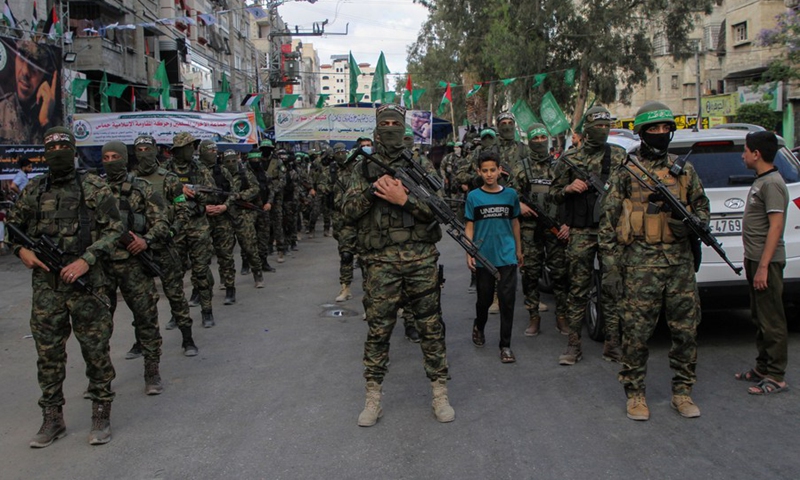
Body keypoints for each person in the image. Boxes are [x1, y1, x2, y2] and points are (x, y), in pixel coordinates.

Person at [7, 126, 122, 447]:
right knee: (48, 355)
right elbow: (13, 230)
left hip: (87, 284)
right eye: (51, 145)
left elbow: (116, 229)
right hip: (47, 288)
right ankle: (52, 418)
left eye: (63, 144)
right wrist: (22, 252)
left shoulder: (93, 186)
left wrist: (87, 259)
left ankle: (101, 412)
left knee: (96, 351)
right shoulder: (33, 190)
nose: (57, 149)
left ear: (73, 149)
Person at [342, 104, 454, 426]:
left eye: (396, 123)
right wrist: (375, 191)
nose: (390, 128)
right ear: (377, 129)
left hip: (420, 259)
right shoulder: (363, 168)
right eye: (385, 123)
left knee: (430, 327)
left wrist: (404, 200)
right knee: (378, 331)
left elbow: (440, 210)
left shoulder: (420, 164)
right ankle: (373, 398)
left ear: (404, 129)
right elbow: (347, 209)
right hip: (379, 263)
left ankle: (439, 393)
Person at [599, 101, 709, 421]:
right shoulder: (626, 172)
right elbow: (607, 223)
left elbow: (702, 210)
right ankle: (635, 394)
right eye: (654, 129)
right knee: (635, 334)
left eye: (665, 128)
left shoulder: (684, 170)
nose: (661, 134)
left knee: (686, 331)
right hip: (638, 265)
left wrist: (689, 220)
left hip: (679, 264)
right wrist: (610, 268)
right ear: (642, 133)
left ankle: (682, 392)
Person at [550, 106, 627, 366]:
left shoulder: (618, 155)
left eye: (607, 126)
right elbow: (553, 193)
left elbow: (629, 190)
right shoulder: (571, 158)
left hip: (610, 231)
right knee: (578, 289)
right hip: (581, 231)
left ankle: (612, 344)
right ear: (587, 129)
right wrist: (569, 188)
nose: (603, 131)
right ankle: (573, 345)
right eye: (598, 126)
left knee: (612, 288)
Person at [99, 141, 165, 395]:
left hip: (134, 264)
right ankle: (101, 377)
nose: (111, 160)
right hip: (102, 266)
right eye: (106, 156)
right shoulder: (94, 189)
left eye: (116, 156)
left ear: (125, 158)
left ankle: (152, 371)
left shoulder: (142, 188)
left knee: (146, 319)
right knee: (99, 326)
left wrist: (145, 240)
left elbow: (161, 220)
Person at [132, 135, 199, 356]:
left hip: (165, 244)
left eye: (147, 148)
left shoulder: (169, 179)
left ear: (155, 151)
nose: (143, 153)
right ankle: (140, 341)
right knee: (140, 300)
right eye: (139, 149)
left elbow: (182, 210)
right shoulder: (129, 180)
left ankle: (187, 339)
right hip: (138, 248)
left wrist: (172, 231)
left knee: (175, 293)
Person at [735, 131, 790, 395]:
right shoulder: (762, 180)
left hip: (766, 261)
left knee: (772, 319)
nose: (742, 155)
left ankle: (776, 375)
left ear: (757, 154)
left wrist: (765, 266)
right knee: (759, 316)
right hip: (755, 258)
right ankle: (762, 367)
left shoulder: (772, 184)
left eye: (745, 150)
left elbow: (776, 226)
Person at [509, 124, 570, 337]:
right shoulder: (521, 167)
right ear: (530, 141)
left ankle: (561, 317)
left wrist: (566, 224)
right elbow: (509, 194)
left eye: (543, 137)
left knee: (560, 274)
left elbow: (568, 196)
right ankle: (533, 316)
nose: (540, 141)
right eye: (536, 138)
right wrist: (519, 205)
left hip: (554, 228)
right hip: (529, 230)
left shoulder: (559, 166)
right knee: (531, 274)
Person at [465, 151, 523, 363]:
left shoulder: (510, 195)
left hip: (507, 255)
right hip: (483, 257)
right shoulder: (473, 197)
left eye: (493, 170)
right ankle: (479, 325)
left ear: (500, 171)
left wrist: (518, 249)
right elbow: (469, 226)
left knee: (508, 301)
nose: (489, 175)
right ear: (479, 172)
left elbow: (515, 223)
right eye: (485, 171)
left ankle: (505, 346)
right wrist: (469, 250)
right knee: (485, 299)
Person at [162, 133, 217, 328]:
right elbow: (156, 195)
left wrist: (195, 194)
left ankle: (207, 310)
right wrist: (179, 188)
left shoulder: (199, 169)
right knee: (174, 275)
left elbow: (211, 193)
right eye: (187, 147)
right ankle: (178, 313)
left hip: (197, 226)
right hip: (176, 227)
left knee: (200, 271)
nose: (191, 150)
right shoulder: (165, 170)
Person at [0, 40, 59, 145]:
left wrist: (45, 122)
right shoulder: (2, 111)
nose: (25, 72)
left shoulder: (56, 118)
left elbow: (57, 157)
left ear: (47, 76)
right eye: (21, 58)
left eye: (35, 64)